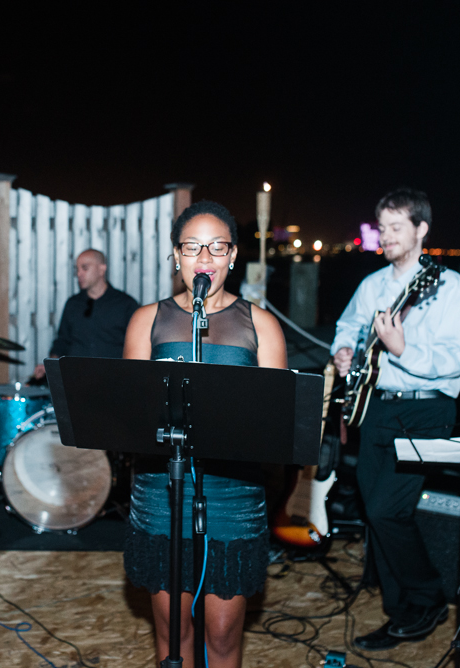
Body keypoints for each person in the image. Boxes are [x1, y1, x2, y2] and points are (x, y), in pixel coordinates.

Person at [122, 200, 287, 667]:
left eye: (217, 247)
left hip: (232, 492)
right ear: (176, 257)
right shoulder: (146, 321)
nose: (205, 258)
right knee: (174, 631)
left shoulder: (262, 325)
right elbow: (131, 418)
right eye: (192, 247)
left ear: (233, 256)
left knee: (222, 634)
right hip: (162, 489)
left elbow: (275, 423)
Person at [331, 188, 460, 651]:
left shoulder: (451, 287)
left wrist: (403, 348)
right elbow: (347, 325)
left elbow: (454, 360)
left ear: (421, 230)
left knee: (386, 509)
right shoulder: (372, 284)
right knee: (376, 512)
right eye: (382, 227)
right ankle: (401, 611)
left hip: (426, 408)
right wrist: (343, 351)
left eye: (396, 228)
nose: (385, 236)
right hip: (375, 406)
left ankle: (428, 599)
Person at [31, 249, 138, 380]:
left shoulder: (126, 304)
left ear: (101, 269)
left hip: (113, 381)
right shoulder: (73, 304)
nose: (79, 274)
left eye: (84, 268)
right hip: (75, 380)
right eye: (77, 269)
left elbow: (137, 348)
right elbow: (62, 342)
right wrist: (50, 365)